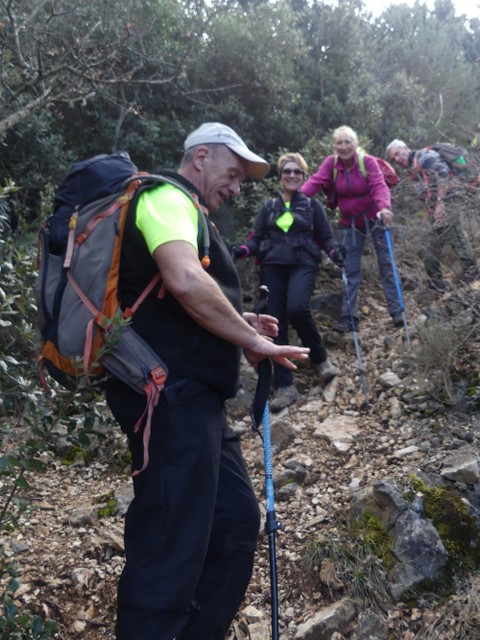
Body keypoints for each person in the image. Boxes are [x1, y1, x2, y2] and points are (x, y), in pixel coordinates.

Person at [103, 122, 309, 640]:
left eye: (242, 179)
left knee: (235, 524)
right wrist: (253, 341)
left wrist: (242, 327)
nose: (237, 187)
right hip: (168, 398)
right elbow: (184, 279)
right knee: (172, 542)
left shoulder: (192, 214)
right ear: (199, 158)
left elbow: (182, 297)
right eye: (233, 173)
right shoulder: (164, 197)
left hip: (197, 403)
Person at [232, 152, 344, 412]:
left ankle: (321, 359)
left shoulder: (312, 206)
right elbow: (256, 239)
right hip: (272, 267)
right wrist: (242, 251)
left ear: (303, 177)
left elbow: (326, 237)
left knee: (298, 308)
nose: (292, 175)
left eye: (297, 172)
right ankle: (285, 386)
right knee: (274, 322)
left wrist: (335, 252)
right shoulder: (269, 207)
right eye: (287, 171)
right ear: (281, 176)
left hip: (303, 263)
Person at [301, 125, 404, 333]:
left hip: (376, 217)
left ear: (355, 144)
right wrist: (295, 200)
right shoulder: (331, 164)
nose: (344, 146)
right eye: (339, 142)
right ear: (334, 146)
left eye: (348, 142)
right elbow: (315, 182)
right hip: (349, 221)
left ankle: (397, 311)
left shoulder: (367, 162)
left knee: (386, 263)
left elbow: (378, 185)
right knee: (350, 269)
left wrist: (384, 208)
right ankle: (349, 317)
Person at [385, 138, 480, 291]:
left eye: (398, 154)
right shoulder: (413, 167)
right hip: (435, 206)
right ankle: (437, 284)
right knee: (427, 243)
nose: (397, 159)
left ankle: (473, 274)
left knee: (454, 233)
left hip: (449, 199)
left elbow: (443, 174)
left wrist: (440, 202)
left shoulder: (424, 157)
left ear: (406, 148)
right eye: (393, 158)